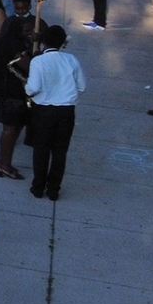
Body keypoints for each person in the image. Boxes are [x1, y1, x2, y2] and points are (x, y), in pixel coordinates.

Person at [25, 25, 87, 200]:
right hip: (66, 111)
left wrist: (27, 89)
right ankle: (53, 189)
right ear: (63, 43)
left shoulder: (38, 61)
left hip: (43, 111)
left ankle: (38, 187)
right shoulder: (72, 60)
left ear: (43, 41)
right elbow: (82, 86)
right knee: (60, 151)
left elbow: (33, 88)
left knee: (41, 149)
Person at [0, 0, 42, 180]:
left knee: (16, 125)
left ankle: (0, 159)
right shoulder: (13, 44)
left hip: (12, 90)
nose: (30, 32)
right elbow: (28, 65)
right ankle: (4, 165)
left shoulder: (13, 40)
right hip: (9, 92)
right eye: (27, 30)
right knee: (10, 127)